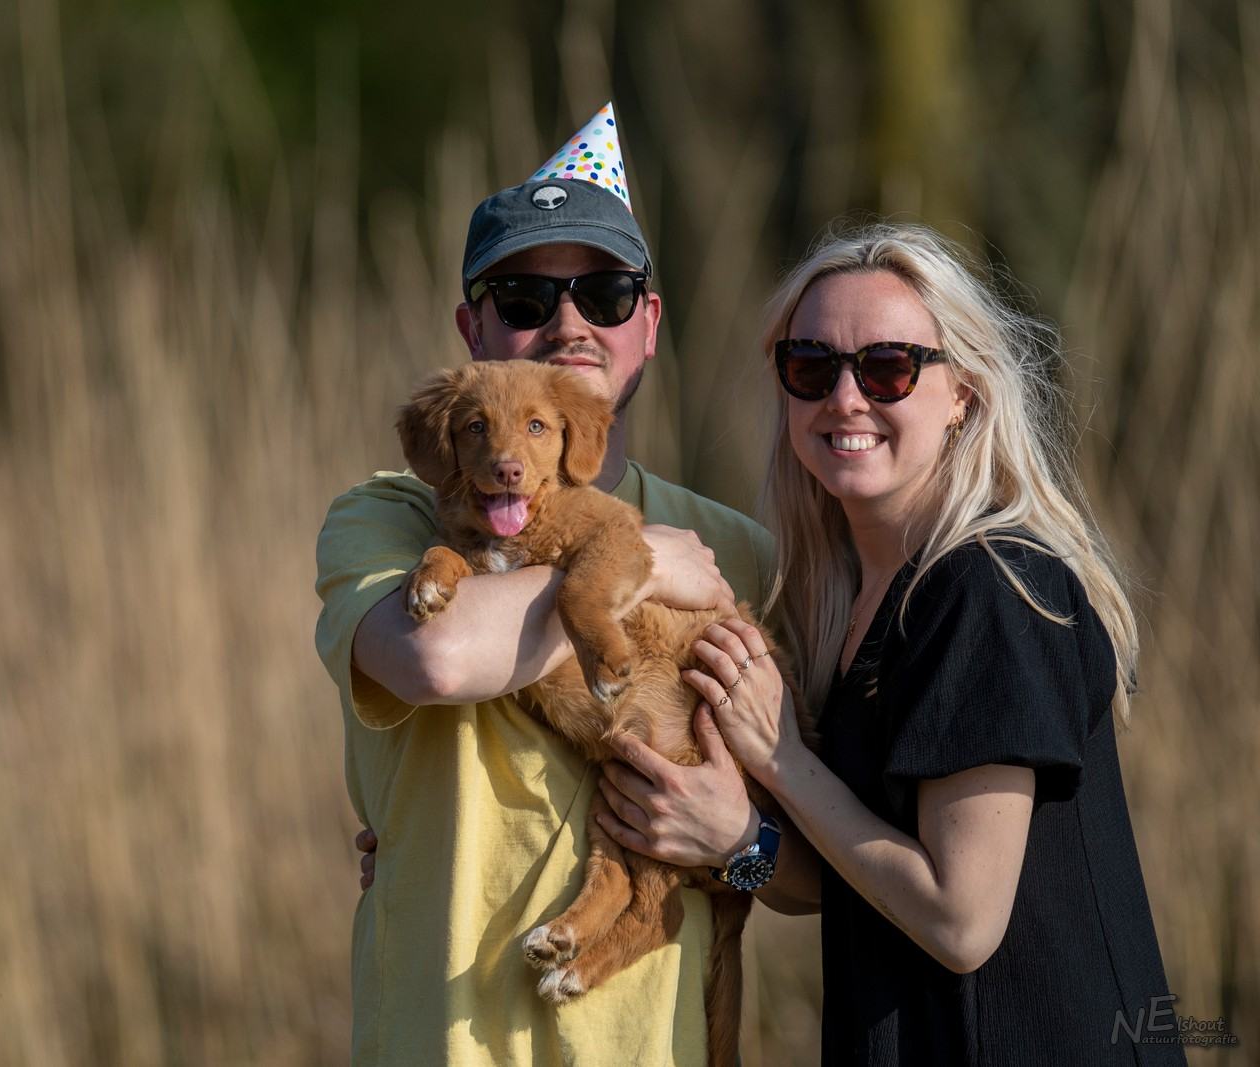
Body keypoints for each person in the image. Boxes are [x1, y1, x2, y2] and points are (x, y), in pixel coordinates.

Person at [596, 222, 1185, 1064]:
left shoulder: (988, 584)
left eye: (889, 367)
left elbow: (959, 919)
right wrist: (742, 845)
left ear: (964, 394)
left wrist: (782, 760)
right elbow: (847, 882)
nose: (846, 398)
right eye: (811, 366)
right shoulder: (841, 599)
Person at [314, 104, 778, 1065]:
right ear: (472, 326)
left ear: (648, 326)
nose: (568, 323)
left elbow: (813, 861)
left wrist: (741, 837)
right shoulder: (384, 517)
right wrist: (640, 559)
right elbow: (434, 654)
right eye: (524, 298)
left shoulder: (738, 550)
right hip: (438, 1038)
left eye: (606, 294)